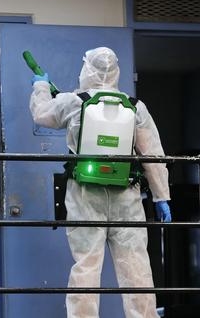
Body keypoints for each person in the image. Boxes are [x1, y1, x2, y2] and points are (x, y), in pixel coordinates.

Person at [29, 47, 172, 318]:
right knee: (136, 267)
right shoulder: (135, 107)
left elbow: (42, 113)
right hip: (126, 197)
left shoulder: (74, 102)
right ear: (115, 71)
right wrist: (161, 196)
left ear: (87, 69)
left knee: (86, 266)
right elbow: (153, 154)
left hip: (85, 195)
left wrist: (40, 86)